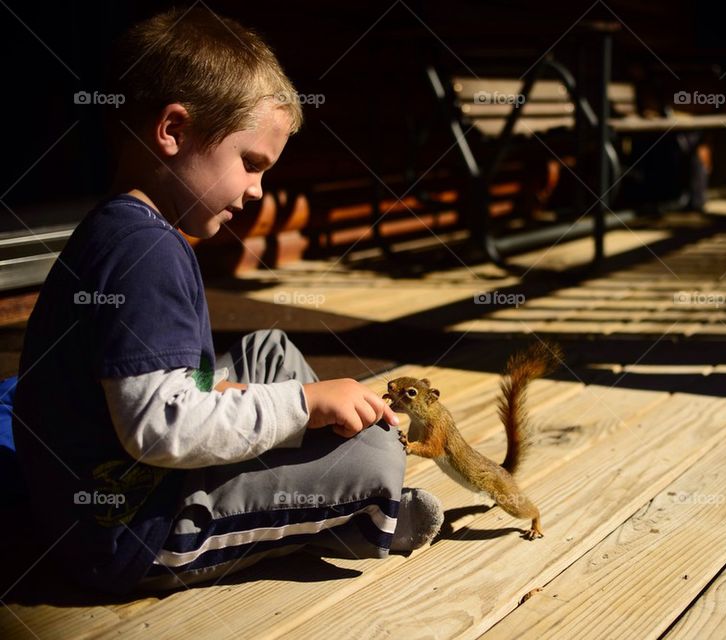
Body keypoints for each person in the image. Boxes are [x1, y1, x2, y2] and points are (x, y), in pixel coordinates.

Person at [12, 7, 441, 595]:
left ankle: (318, 474)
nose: (258, 189)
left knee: (269, 349)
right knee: (375, 462)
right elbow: (161, 430)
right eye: (251, 163)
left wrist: (231, 394)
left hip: (132, 476)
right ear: (175, 131)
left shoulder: (129, 230)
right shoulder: (144, 251)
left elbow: (153, 387)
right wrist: (304, 405)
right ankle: (364, 514)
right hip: (132, 527)